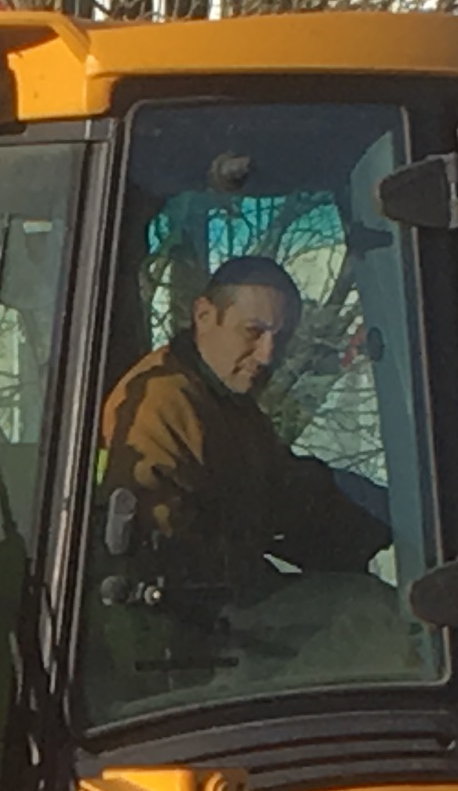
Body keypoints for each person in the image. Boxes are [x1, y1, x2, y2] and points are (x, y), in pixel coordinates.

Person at [94, 252, 391, 605]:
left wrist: (387, 516)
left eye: (280, 339)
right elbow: (168, 559)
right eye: (253, 332)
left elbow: (280, 488)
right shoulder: (159, 406)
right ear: (204, 315)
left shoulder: (227, 402)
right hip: (194, 625)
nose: (267, 355)